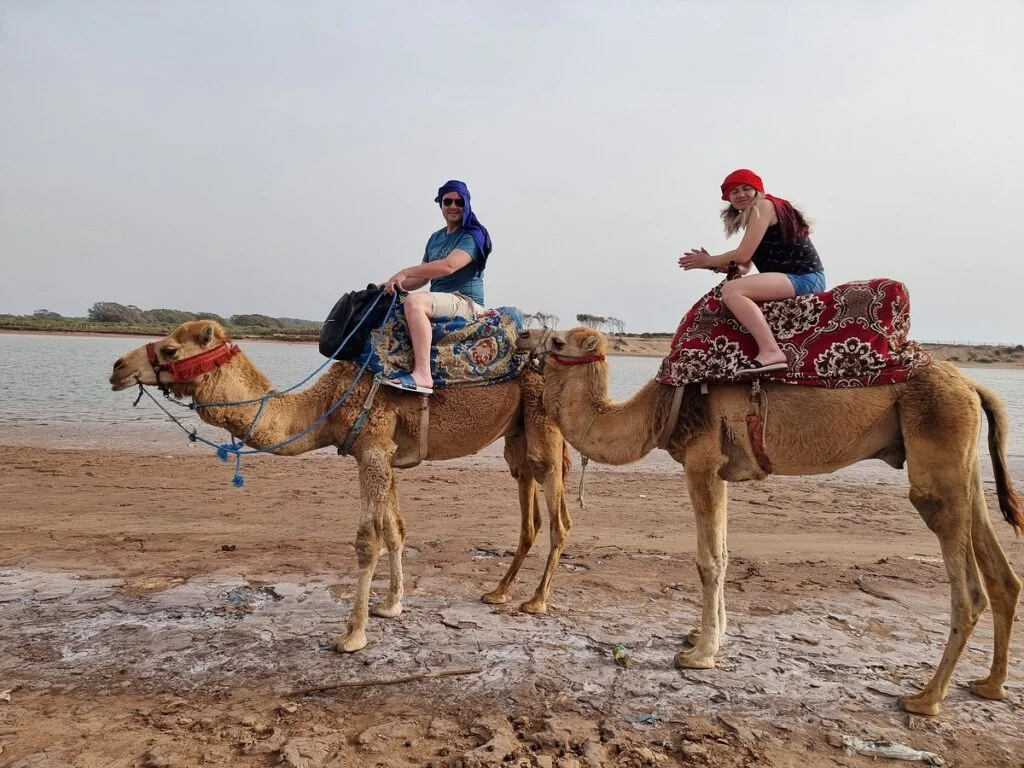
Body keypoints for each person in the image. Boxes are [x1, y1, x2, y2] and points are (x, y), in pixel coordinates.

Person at [678, 169, 825, 375]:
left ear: (758, 191)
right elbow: (744, 266)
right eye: (734, 191)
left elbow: (742, 253)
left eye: (746, 189)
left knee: (732, 291)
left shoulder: (764, 207)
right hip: (789, 278)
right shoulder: (753, 217)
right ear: (728, 198)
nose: (741, 194)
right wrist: (710, 264)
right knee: (732, 289)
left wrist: (708, 259)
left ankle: (771, 351)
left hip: (804, 278)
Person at [381, 179, 493, 394]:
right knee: (392, 302)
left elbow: (448, 266)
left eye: (459, 202)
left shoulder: (473, 234)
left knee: (415, 302)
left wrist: (404, 272)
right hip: (440, 298)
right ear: (440, 204)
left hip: (465, 300)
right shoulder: (435, 238)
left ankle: (423, 374)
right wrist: (393, 283)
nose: (453, 206)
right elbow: (422, 279)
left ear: (466, 204)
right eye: (447, 201)